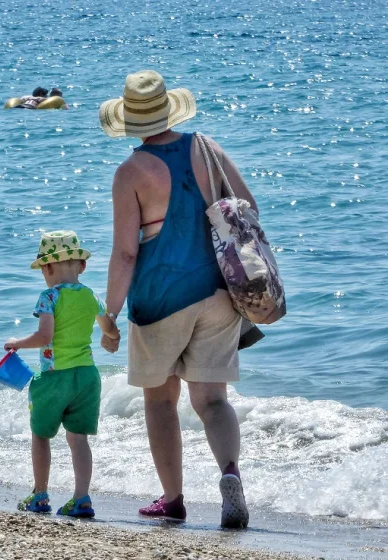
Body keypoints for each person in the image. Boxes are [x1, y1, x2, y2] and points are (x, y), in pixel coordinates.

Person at [98, 70, 257, 528]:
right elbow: (247, 210)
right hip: (219, 292)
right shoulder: (207, 149)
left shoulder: (130, 172)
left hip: (158, 300)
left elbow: (127, 252)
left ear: (130, 119)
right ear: (170, 109)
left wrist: (109, 313)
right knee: (212, 401)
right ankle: (229, 474)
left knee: (161, 402)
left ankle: (172, 498)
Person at [4, 231, 118, 518]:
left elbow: (45, 336)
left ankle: (40, 494)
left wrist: (17, 342)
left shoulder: (48, 297)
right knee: (78, 438)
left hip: (55, 376)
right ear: (81, 266)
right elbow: (110, 329)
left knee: (41, 435)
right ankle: (81, 498)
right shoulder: (92, 296)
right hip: (87, 377)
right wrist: (110, 338)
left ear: (47, 267)